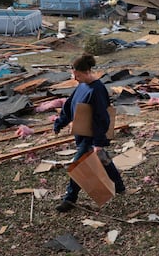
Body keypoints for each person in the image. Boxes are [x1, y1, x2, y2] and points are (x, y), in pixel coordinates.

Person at [53, 53, 125, 212]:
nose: (75, 78)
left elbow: (102, 118)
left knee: (77, 166)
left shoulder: (97, 90)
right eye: (74, 75)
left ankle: (69, 199)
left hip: (91, 136)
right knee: (102, 159)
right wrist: (59, 123)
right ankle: (119, 186)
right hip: (82, 134)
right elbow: (69, 106)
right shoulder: (81, 86)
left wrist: (98, 142)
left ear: (86, 72)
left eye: (77, 75)